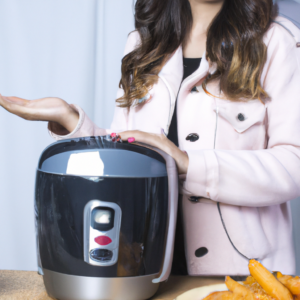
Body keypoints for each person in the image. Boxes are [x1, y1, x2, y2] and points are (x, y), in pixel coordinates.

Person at [1, 0, 300, 276]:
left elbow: (294, 163)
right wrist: (71, 122)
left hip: (244, 278)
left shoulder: (277, 41)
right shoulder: (143, 45)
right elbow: (126, 155)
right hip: (145, 274)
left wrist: (188, 164)